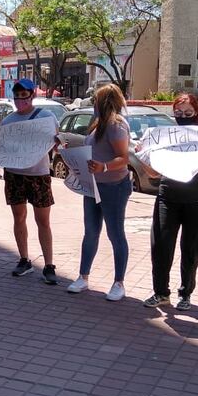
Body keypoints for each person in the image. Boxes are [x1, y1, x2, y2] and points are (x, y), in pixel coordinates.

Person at [141, 93, 198, 311]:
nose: (183, 117)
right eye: (178, 113)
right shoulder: (168, 135)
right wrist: (145, 157)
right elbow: (154, 174)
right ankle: (161, 292)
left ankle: (186, 293)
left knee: (191, 250)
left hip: (197, 200)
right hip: (168, 198)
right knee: (160, 246)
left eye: (188, 113)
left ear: (196, 112)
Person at [0, 78, 59, 284]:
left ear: (32, 95)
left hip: (38, 174)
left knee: (43, 220)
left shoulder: (46, 117)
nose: (20, 100)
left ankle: (49, 264)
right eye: (17, 96)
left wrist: (58, 142)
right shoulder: (8, 122)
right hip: (14, 174)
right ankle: (24, 259)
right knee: (19, 216)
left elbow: (56, 141)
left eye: (24, 96)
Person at [66, 83, 132, 301]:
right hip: (93, 186)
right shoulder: (99, 124)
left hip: (114, 186)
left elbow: (124, 158)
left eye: (96, 100)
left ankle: (118, 283)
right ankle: (83, 277)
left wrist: (103, 166)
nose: (93, 103)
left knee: (115, 234)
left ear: (104, 102)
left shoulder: (116, 125)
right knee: (91, 231)